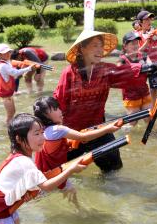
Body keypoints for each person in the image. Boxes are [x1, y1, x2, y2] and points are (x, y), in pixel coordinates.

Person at [53, 30, 146, 172]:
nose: (99, 50)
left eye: (101, 46)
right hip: (72, 134)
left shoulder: (104, 69)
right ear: (82, 49)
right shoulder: (69, 73)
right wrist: (54, 132)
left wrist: (149, 68)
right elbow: (58, 103)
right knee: (60, 173)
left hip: (98, 130)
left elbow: (125, 73)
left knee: (114, 168)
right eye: (95, 45)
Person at [0, 113, 86, 224]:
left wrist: (24, 192)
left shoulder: (16, 155)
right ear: (19, 139)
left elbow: (15, 182)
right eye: (37, 134)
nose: (43, 137)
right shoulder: (25, 162)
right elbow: (47, 186)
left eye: (42, 132)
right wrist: (70, 170)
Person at [33, 96, 121, 194]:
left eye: (58, 107)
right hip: (54, 175)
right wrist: (107, 129)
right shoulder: (58, 129)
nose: (60, 110)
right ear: (46, 116)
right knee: (72, 192)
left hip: (43, 175)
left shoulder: (40, 130)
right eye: (55, 109)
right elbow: (84, 137)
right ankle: (78, 209)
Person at [0, 44, 35, 125]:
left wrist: (21, 63)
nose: (8, 54)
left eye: (9, 52)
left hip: (8, 93)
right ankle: (8, 129)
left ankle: (10, 126)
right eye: (5, 53)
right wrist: (29, 68)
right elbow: (15, 73)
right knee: (10, 115)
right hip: (6, 95)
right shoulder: (3, 66)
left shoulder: (6, 62)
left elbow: (13, 64)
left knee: (13, 112)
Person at [118, 32, 152, 126]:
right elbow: (117, 74)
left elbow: (151, 66)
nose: (135, 45)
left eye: (136, 43)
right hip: (130, 96)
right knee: (133, 123)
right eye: (132, 43)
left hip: (144, 93)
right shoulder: (122, 60)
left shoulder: (144, 56)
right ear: (125, 46)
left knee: (149, 119)